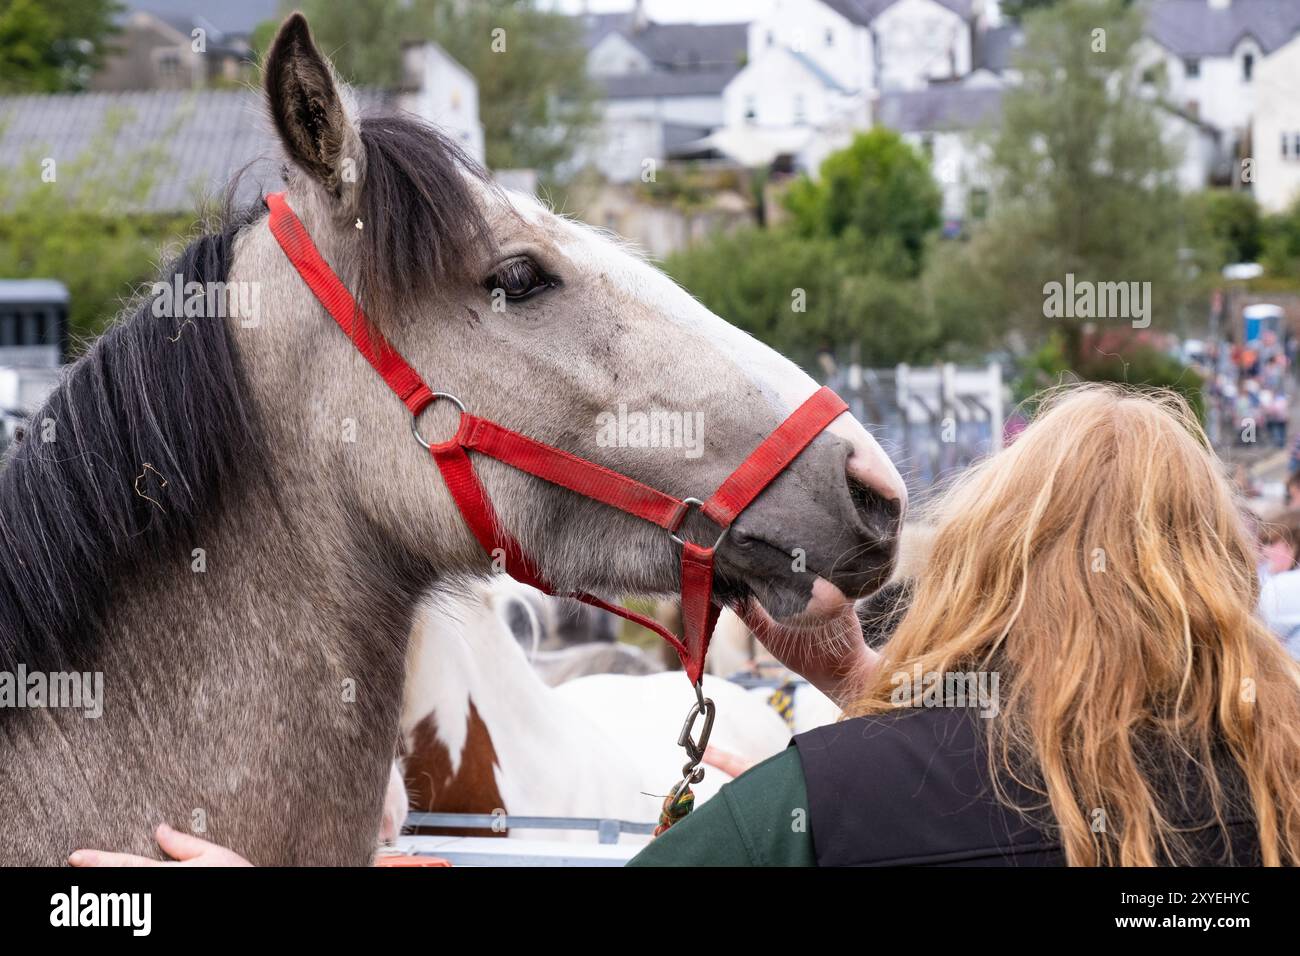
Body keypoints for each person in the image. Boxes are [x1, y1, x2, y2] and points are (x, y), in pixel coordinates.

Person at [632, 385, 1300, 866]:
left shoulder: (817, 802)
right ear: (1223, 574)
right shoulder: (1282, 769)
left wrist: (861, 736)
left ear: (979, 564)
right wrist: (863, 686)